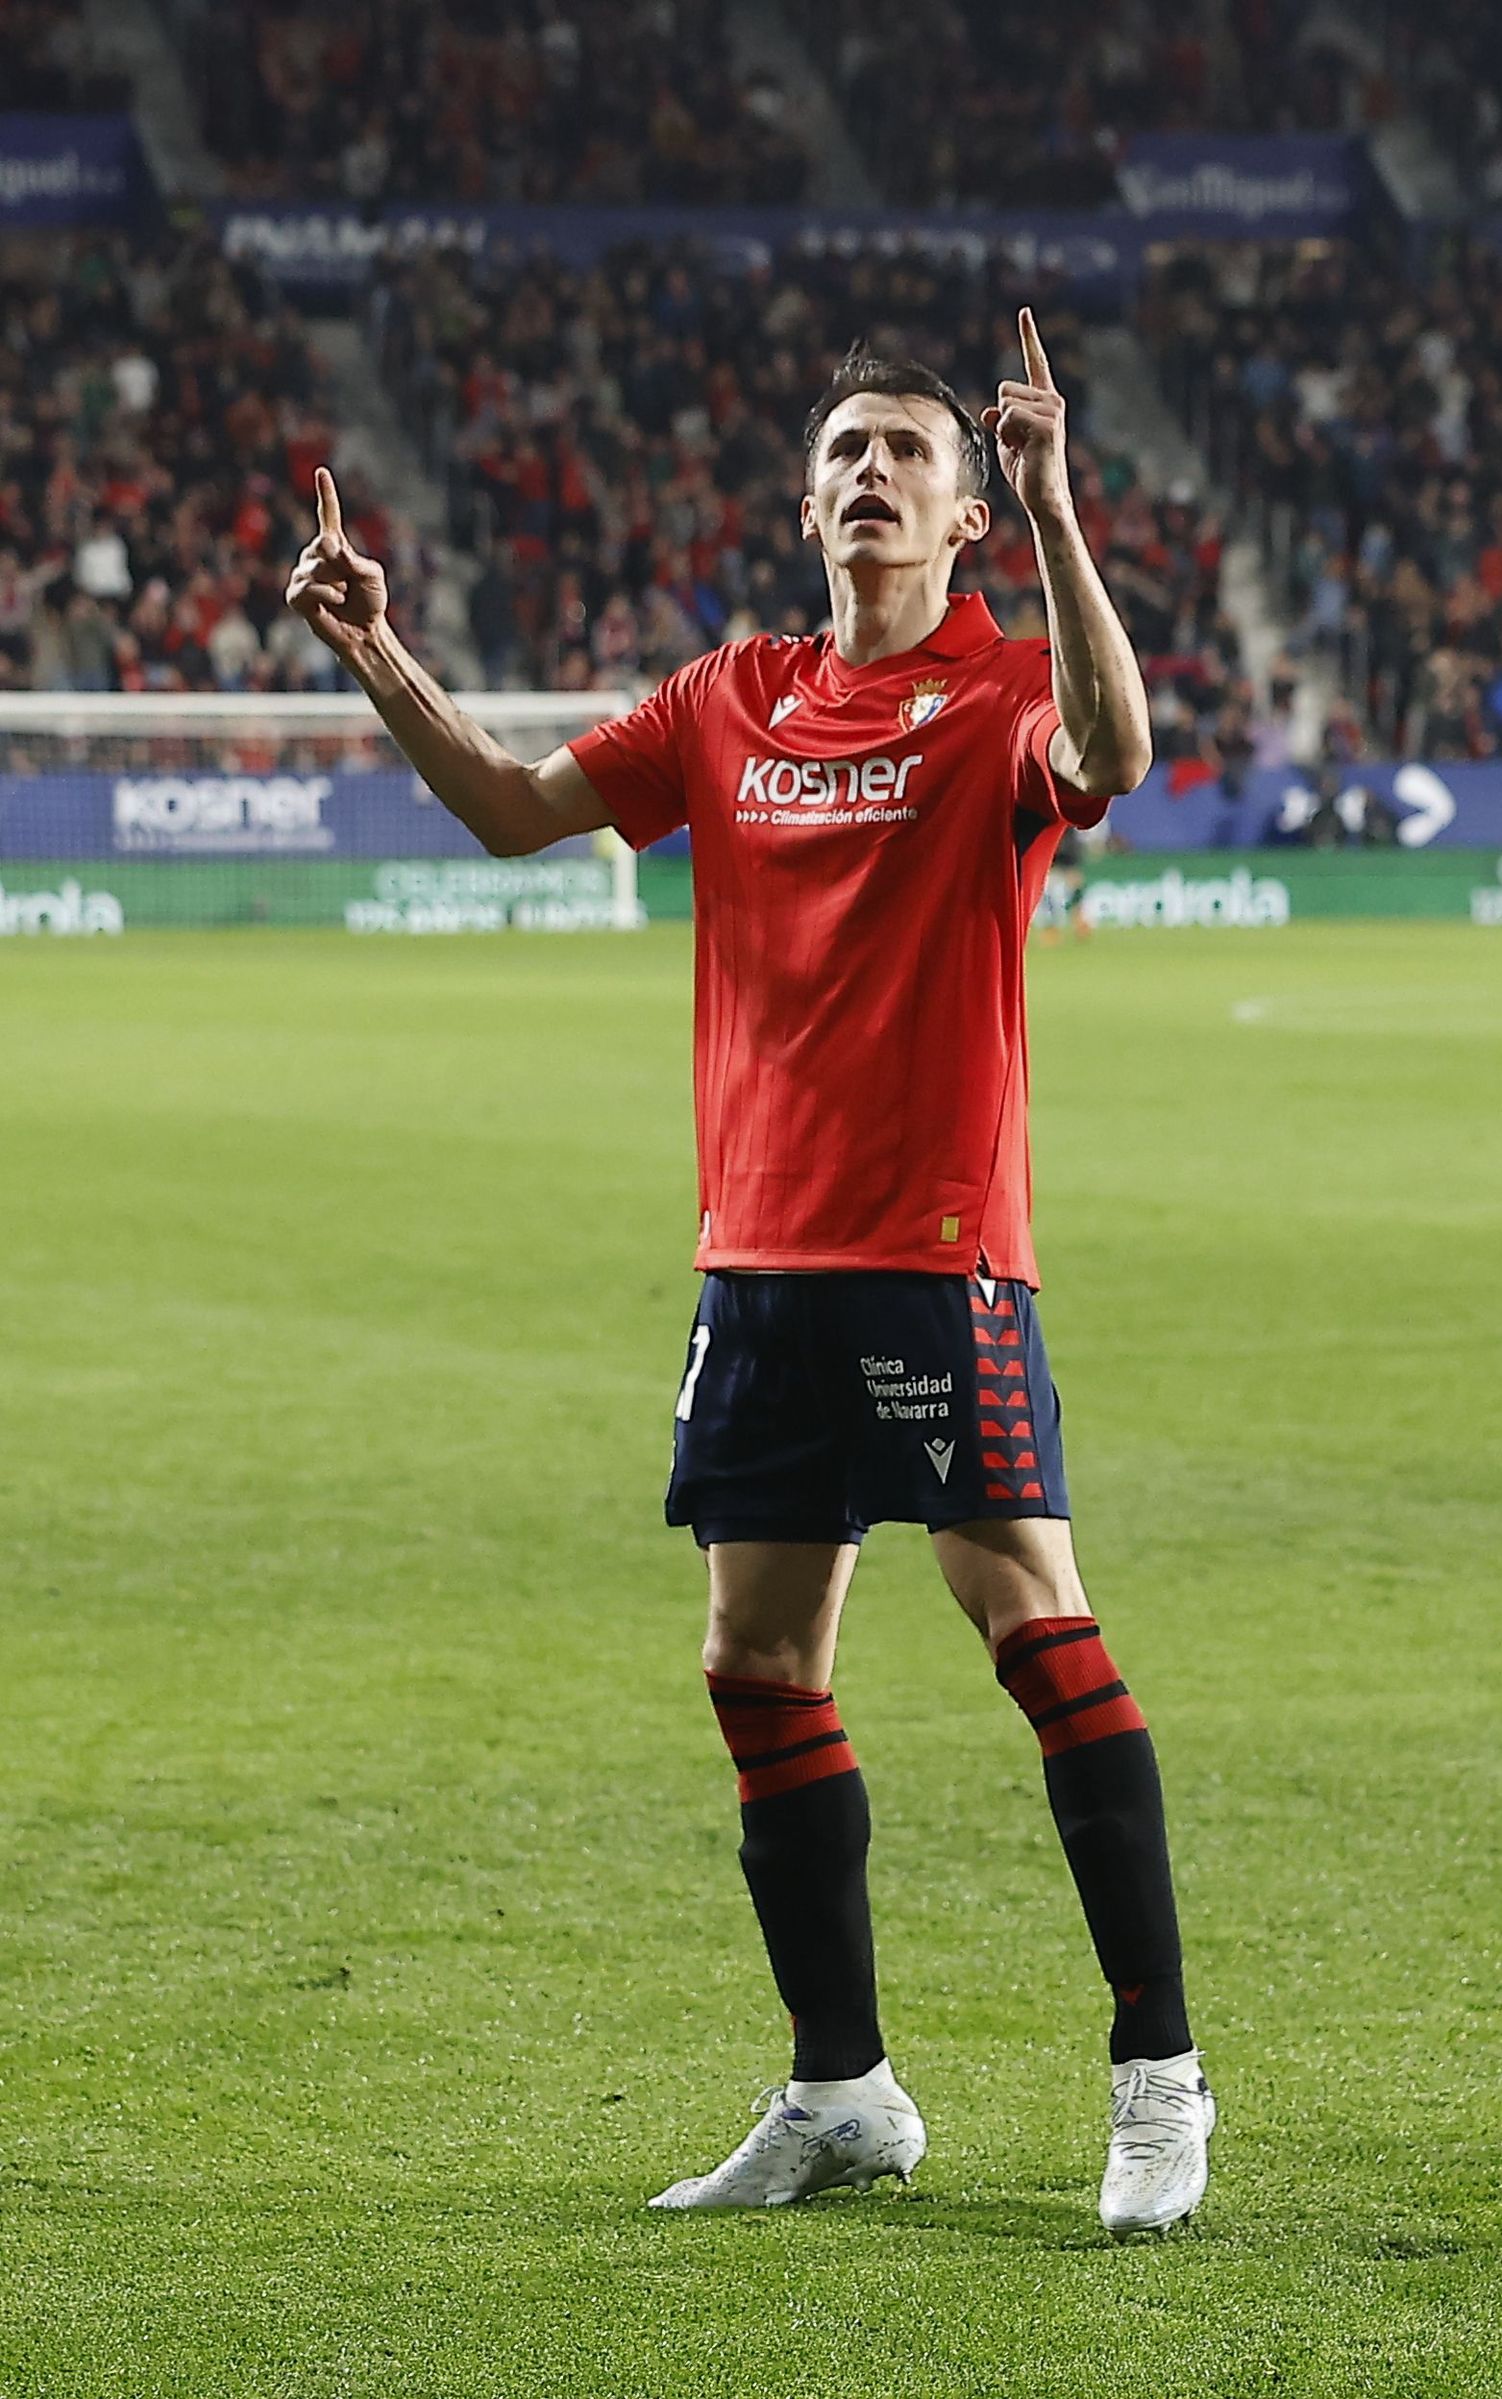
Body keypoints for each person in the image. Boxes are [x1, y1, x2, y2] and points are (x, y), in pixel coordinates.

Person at [285, 310, 1213, 2237]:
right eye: (849, 453)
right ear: (809, 504)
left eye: (912, 455)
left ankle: (1159, 2081)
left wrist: (1060, 509)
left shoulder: (995, 698)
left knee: (1035, 1631)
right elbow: (511, 807)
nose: (876, 475)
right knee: (756, 1665)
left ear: (962, 512)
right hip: (757, 1268)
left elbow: (1118, 752)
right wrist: (373, 642)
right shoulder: (730, 700)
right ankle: (843, 2089)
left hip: (937, 1264)